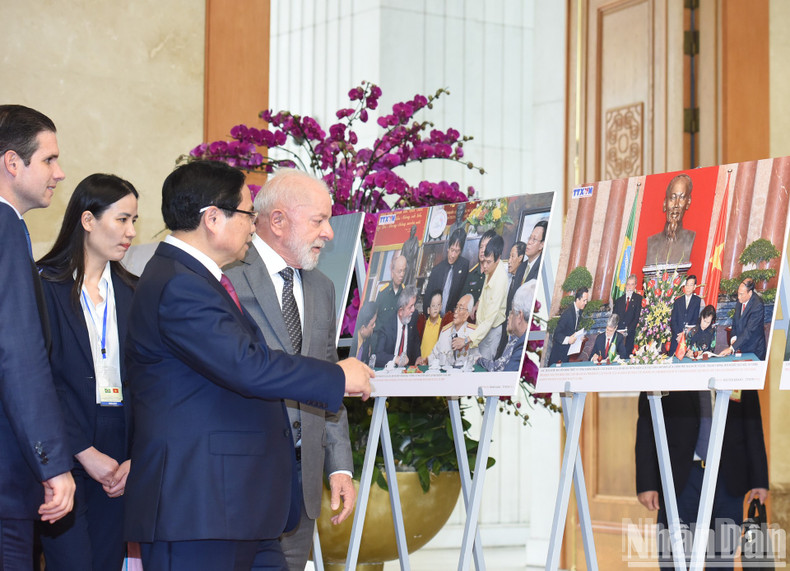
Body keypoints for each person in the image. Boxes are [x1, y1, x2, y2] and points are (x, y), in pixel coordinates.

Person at [123, 160, 373, 570]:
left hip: (236, 507)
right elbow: (247, 366)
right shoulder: (178, 283)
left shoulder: (197, 279)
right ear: (213, 219)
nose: (253, 226)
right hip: (199, 508)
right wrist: (336, 375)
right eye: (245, 214)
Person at [224, 169, 356, 571]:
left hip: (303, 485)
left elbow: (327, 375)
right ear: (277, 221)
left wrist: (340, 467)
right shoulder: (225, 277)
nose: (329, 233)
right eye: (319, 220)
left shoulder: (322, 287)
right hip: (241, 478)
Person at [36, 174, 139, 570]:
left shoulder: (135, 291)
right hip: (63, 442)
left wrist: (137, 457)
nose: (131, 232)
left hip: (122, 445)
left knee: (108, 560)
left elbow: (151, 379)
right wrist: (82, 451)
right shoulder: (44, 287)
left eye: (134, 221)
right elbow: (37, 381)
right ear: (88, 220)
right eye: (122, 219)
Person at [0, 104, 75, 568]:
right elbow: (19, 353)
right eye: (49, 159)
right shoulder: (6, 228)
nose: (59, 173)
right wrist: (53, 463)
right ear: (12, 163)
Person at [635, 389, 768, 568]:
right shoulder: (665, 362)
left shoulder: (739, 363)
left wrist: (759, 478)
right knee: (677, 557)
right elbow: (646, 424)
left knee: (721, 558)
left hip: (729, 476)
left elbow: (752, 422)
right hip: (681, 476)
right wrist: (646, 483)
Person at [464, 235, 509, 360]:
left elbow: (490, 319)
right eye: (484, 261)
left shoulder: (500, 280)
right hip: (480, 328)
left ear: (498, 258)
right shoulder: (489, 269)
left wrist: (468, 339)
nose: (485, 266)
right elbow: (484, 295)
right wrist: (478, 303)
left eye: (488, 262)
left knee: (482, 367)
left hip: (491, 332)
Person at [478, 285, 531, 372]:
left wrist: (479, 360)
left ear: (520, 316)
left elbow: (499, 368)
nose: (508, 318)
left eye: (512, 313)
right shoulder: (514, 338)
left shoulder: (519, 342)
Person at [645, 174, 696, 266]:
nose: (676, 204)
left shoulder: (690, 238)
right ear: (665, 203)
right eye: (672, 198)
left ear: (688, 202)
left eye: (682, 198)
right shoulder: (652, 242)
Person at [421, 227, 469, 316]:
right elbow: (427, 297)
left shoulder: (464, 266)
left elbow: (463, 293)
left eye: (457, 251)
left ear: (461, 251)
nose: (453, 255)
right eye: (452, 250)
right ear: (448, 248)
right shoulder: (437, 270)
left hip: (452, 318)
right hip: (435, 318)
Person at [719, 277, 766, 359]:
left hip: (755, 350)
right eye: (738, 293)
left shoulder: (757, 305)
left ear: (750, 293)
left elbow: (749, 331)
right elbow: (735, 322)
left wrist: (731, 348)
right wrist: (734, 338)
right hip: (742, 347)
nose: (738, 297)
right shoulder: (740, 300)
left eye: (741, 294)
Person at [374, 285, 419, 367]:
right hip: (389, 370)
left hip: (406, 371)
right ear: (401, 311)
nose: (413, 310)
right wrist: (396, 359)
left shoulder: (413, 317)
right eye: (410, 307)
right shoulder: (386, 325)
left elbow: (415, 340)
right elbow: (378, 355)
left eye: (414, 305)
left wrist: (418, 357)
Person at [429, 294, 479, 367]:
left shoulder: (474, 332)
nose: (456, 311)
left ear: (466, 315)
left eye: (460, 308)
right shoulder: (445, 331)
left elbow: (477, 360)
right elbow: (434, 355)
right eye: (456, 307)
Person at [548, 287, 589, 365]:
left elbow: (571, 331)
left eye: (586, 300)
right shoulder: (567, 314)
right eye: (584, 300)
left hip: (566, 354)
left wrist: (579, 338)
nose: (586, 303)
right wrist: (568, 340)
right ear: (577, 299)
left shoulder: (578, 312)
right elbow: (557, 334)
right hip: (558, 356)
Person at [462, 229, 498, 319]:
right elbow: (462, 300)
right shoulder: (471, 273)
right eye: (481, 247)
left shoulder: (496, 275)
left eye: (486, 247)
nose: (482, 250)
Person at [416, 290, 452, 366]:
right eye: (433, 306)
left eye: (438, 305)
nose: (435, 308)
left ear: (441, 307)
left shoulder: (444, 325)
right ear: (428, 310)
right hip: (422, 364)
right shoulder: (423, 324)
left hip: (436, 364)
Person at [669, 275, 701, 355]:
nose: (688, 287)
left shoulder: (697, 301)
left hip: (689, 338)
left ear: (694, 287)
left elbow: (695, 320)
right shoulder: (678, 301)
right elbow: (673, 320)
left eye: (691, 285)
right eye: (687, 285)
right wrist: (678, 334)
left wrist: (685, 334)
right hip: (677, 338)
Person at [612, 274, 642, 356]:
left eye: (632, 284)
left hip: (630, 333)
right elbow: (614, 317)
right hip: (618, 333)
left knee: (627, 356)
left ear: (635, 286)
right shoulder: (618, 301)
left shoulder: (638, 299)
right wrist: (617, 329)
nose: (629, 287)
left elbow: (636, 317)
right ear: (625, 286)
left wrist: (626, 331)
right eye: (628, 284)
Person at [376, 254, 407, 325]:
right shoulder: (383, 293)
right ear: (392, 272)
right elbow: (376, 319)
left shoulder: (405, 293)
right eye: (399, 271)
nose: (402, 275)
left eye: (404, 271)